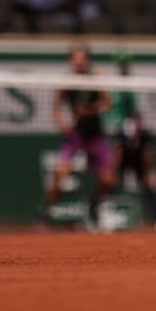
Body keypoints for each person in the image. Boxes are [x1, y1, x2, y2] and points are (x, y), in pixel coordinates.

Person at [45, 44, 114, 229]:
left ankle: (94, 204)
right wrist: (61, 123)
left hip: (96, 134)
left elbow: (108, 103)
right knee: (60, 172)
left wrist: (91, 110)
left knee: (108, 179)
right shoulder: (67, 81)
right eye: (75, 58)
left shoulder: (96, 76)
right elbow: (56, 104)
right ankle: (49, 211)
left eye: (82, 58)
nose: (78, 62)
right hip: (77, 134)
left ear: (87, 60)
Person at [109, 53, 156, 234]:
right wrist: (114, 173)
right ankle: (99, 217)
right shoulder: (121, 137)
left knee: (149, 187)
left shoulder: (146, 136)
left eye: (138, 122)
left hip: (138, 163)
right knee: (109, 183)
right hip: (122, 162)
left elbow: (148, 156)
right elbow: (117, 154)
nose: (136, 125)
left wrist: (147, 174)